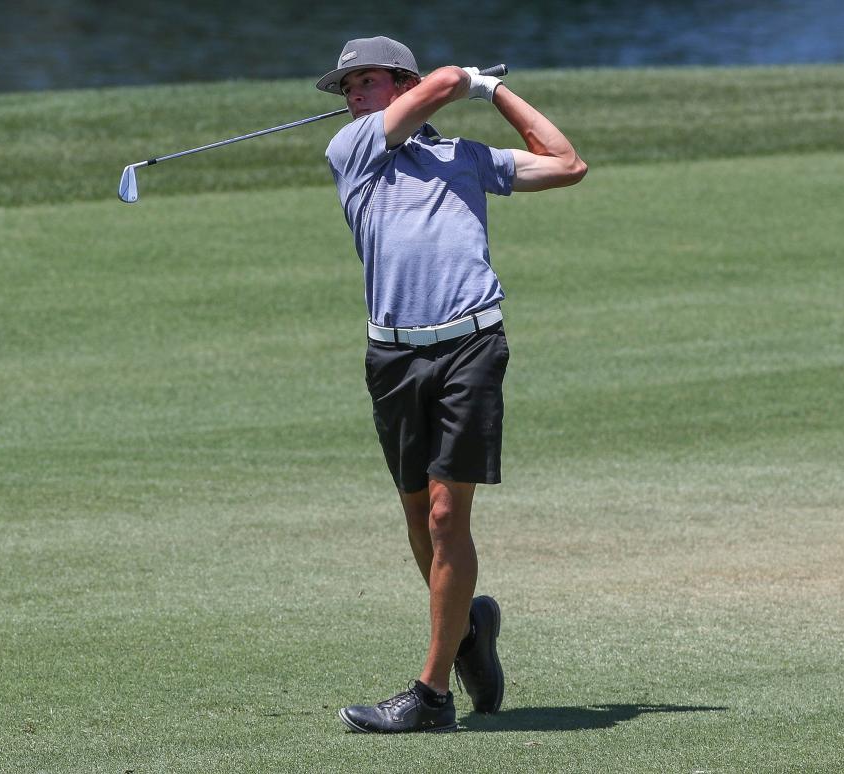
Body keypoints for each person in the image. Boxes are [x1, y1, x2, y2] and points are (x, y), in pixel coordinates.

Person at [317, 36, 587, 734]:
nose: (353, 96)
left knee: (444, 518)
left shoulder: (465, 157)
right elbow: (440, 83)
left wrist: (495, 92)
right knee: (417, 520)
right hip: (394, 358)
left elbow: (566, 164)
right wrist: (466, 76)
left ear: (397, 82)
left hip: (471, 345)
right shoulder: (352, 152)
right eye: (347, 87)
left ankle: (431, 694)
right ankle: (469, 629)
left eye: (367, 81)